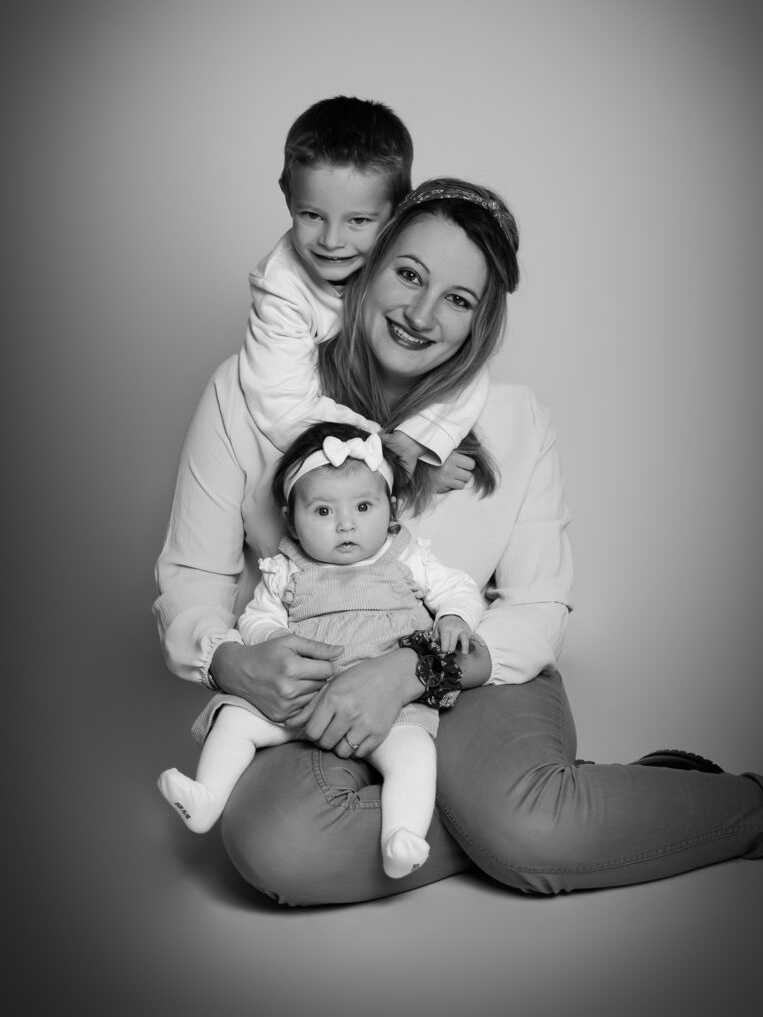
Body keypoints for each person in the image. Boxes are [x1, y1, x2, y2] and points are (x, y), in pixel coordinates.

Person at [154, 177, 762, 906]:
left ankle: (723, 810)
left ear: (480, 322)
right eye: (408, 275)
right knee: (276, 843)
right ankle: (528, 808)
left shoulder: (517, 420)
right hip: (320, 684)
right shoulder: (247, 393)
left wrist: (414, 673)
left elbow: (535, 608)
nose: (419, 314)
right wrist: (233, 661)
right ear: (368, 266)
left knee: (529, 835)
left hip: (472, 675)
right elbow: (193, 573)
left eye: (457, 299)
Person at [158, 423, 485, 878]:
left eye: (364, 507)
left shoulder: (406, 556)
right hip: (304, 693)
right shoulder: (286, 568)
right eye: (324, 511)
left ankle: (403, 836)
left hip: (388, 702)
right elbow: (257, 617)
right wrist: (271, 640)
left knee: (413, 753)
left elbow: (458, 588)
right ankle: (206, 797)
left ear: (391, 511)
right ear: (292, 520)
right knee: (235, 719)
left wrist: (453, 617)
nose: (346, 524)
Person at [239, 96, 491, 480]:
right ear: (287, 193)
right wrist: (389, 450)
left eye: (358, 220)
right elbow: (284, 410)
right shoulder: (282, 287)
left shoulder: (394, 262)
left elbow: (466, 371)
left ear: (397, 214)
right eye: (311, 215)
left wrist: (421, 442)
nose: (332, 241)